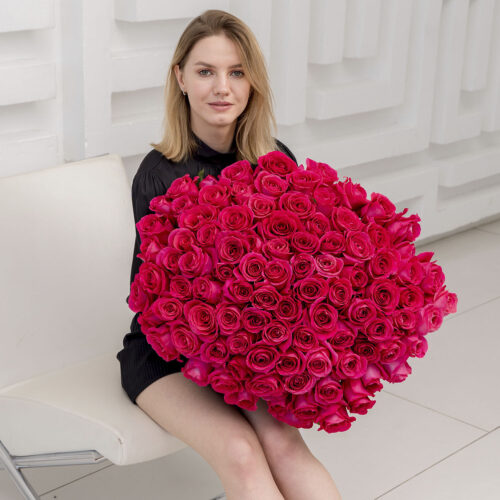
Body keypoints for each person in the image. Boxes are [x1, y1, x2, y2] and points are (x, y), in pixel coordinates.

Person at [116, 9, 342, 500]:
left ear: (252, 82)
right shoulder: (158, 175)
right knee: (240, 452)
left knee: (283, 443)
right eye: (206, 71)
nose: (222, 88)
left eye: (236, 72)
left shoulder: (275, 159)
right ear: (180, 78)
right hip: (167, 353)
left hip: (249, 352)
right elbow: (150, 304)